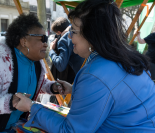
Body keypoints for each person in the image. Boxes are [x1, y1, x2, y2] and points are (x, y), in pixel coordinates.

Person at [16, 0, 155, 132]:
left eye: (74, 32)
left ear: (92, 36)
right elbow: (116, 95)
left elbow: (71, 130)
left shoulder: (94, 75)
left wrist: (31, 107)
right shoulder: (128, 58)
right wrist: (74, 89)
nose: (70, 37)